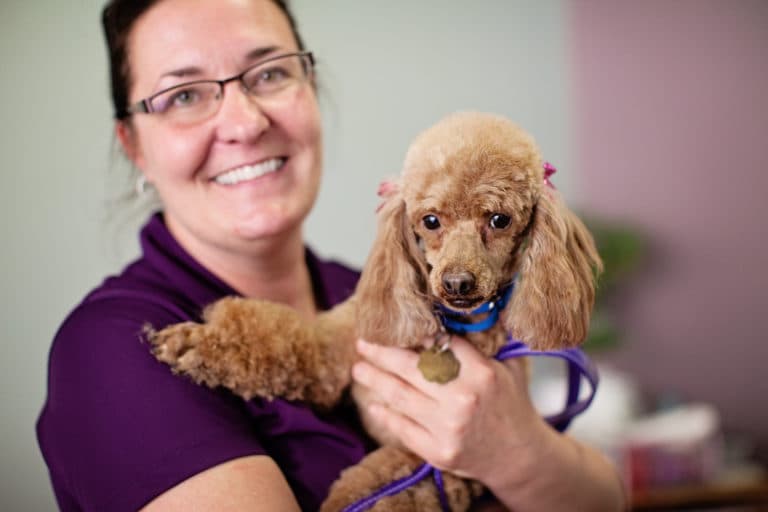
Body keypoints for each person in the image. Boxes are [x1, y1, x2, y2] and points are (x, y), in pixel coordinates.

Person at [36, 0, 627, 510]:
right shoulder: (115, 348)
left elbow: (607, 499)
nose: (244, 122)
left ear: (310, 88)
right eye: (184, 93)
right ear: (133, 144)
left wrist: (519, 453)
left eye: (267, 73)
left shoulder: (365, 287)